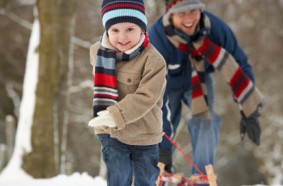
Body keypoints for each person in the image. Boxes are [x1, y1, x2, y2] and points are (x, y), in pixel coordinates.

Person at [148, 0, 264, 176]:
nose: (189, 19)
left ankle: (202, 174)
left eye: (193, 11)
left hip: (199, 79)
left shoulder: (214, 28)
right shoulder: (157, 37)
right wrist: (162, 148)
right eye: (182, 13)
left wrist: (250, 110)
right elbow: (155, 97)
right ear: (170, 14)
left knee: (206, 122)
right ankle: (159, 169)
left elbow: (239, 63)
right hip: (165, 87)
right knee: (164, 125)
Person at [88, 0, 166, 185]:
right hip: (111, 133)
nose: (122, 37)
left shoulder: (154, 61)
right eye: (115, 30)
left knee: (145, 181)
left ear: (142, 29)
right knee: (118, 178)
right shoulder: (98, 53)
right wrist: (108, 119)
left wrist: (114, 115)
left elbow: (146, 97)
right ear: (107, 30)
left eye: (130, 29)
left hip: (144, 134)